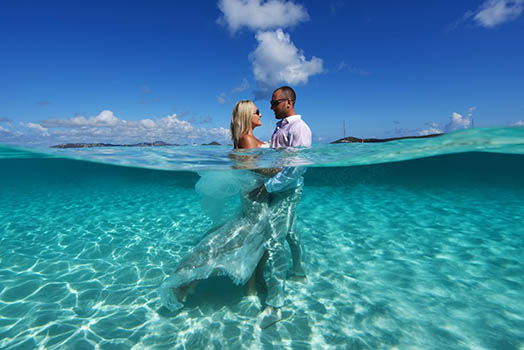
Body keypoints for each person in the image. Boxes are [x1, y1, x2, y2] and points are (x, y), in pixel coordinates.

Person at [159, 100, 273, 311]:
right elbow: (257, 172)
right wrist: (282, 163)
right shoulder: (247, 139)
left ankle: (249, 286)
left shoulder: (245, 139)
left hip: (255, 196)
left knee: (249, 238)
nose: (261, 115)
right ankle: (189, 279)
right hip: (256, 198)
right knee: (246, 238)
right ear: (248, 115)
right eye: (257, 112)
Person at [253, 86, 312, 329]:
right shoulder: (282, 126)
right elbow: (278, 153)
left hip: (287, 190)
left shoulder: (300, 128)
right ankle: (299, 270)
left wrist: (268, 186)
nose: (270, 107)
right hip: (281, 189)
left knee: (275, 242)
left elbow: (296, 168)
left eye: (274, 103)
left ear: (288, 103)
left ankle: (275, 305)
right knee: (289, 232)